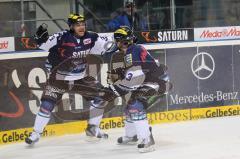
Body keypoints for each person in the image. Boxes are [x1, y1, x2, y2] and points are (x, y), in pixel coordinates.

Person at [25, 13, 115, 145]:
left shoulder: (91, 37)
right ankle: (36, 134)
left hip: (80, 78)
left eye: (83, 24)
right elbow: (43, 45)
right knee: (46, 105)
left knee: (102, 96)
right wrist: (39, 39)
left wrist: (116, 45)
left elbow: (104, 48)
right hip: (59, 79)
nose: (81, 27)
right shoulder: (61, 37)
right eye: (78, 25)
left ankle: (92, 128)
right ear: (71, 26)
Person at [103, 26, 171, 152]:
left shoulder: (131, 52)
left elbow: (135, 78)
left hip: (158, 82)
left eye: (118, 41)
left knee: (135, 105)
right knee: (130, 106)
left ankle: (147, 140)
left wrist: (114, 89)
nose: (117, 44)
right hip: (150, 81)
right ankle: (132, 135)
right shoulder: (132, 50)